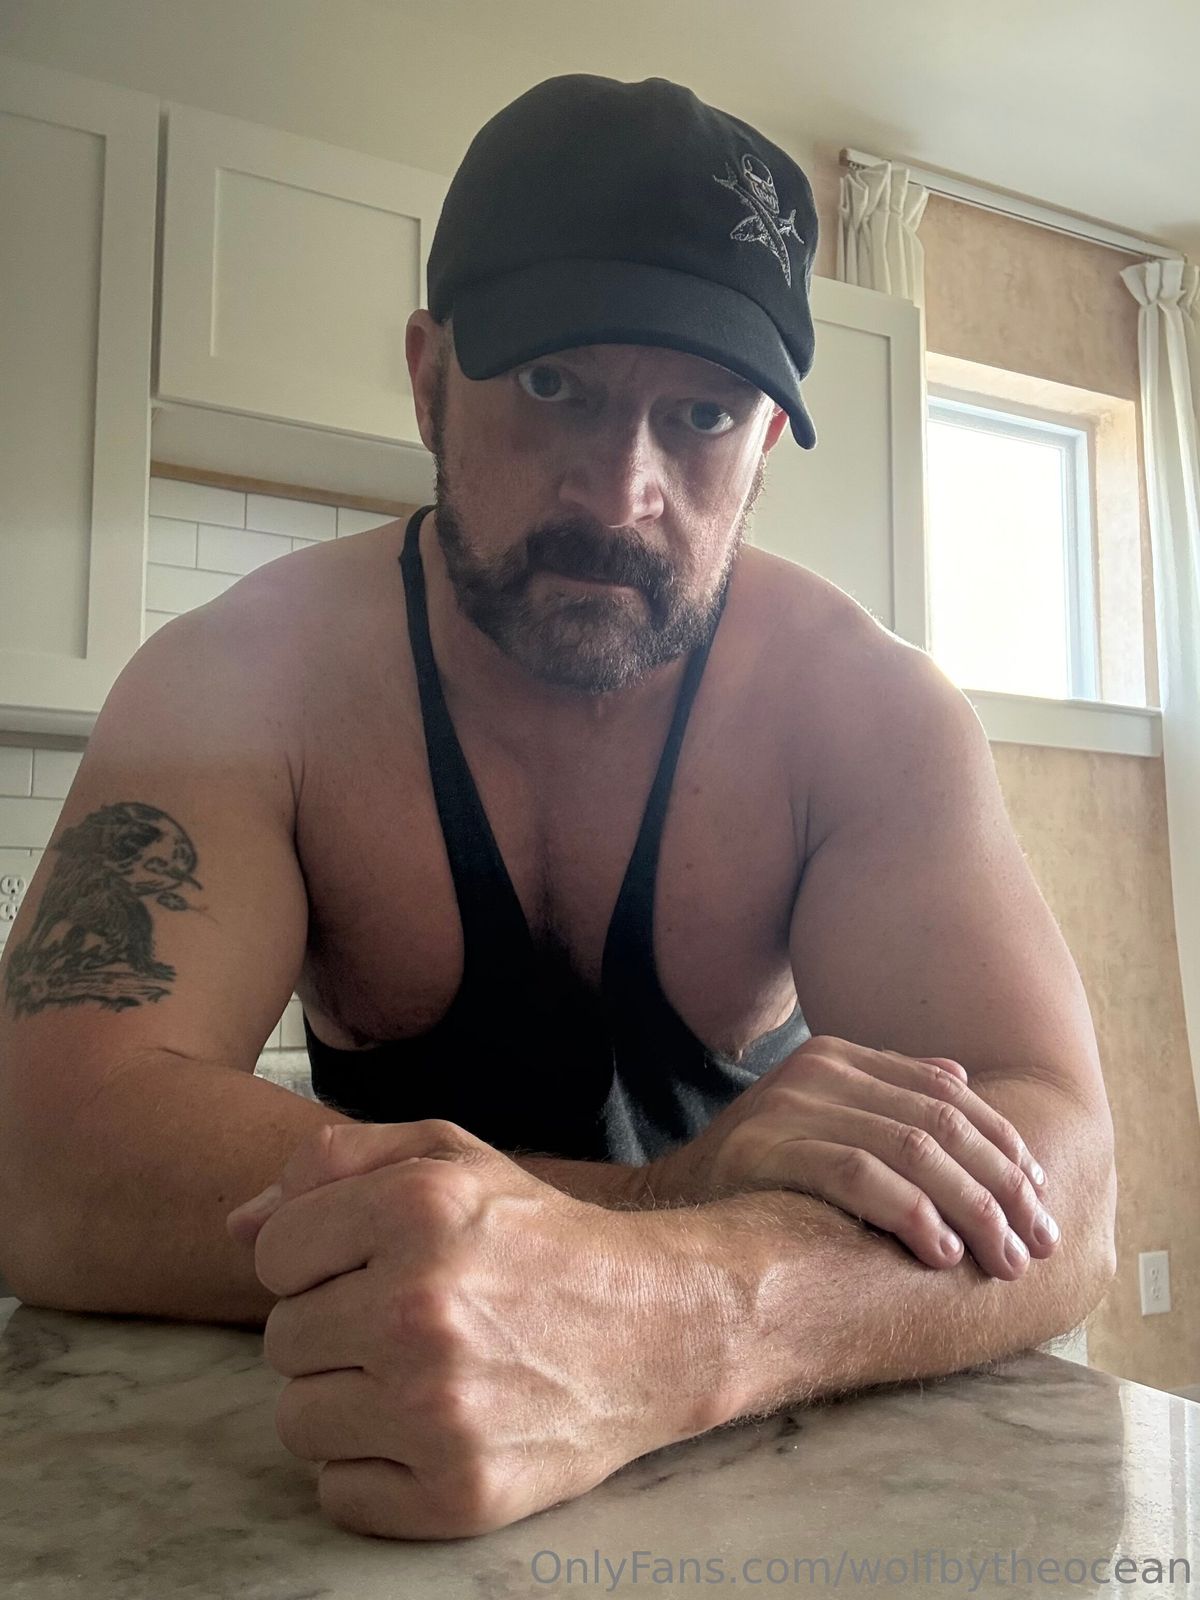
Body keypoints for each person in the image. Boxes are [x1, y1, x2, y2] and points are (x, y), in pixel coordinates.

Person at [0, 74, 1116, 1541]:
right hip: (360, 1449)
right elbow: (42, 1148)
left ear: (765, 445)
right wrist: (664, 1203)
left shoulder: (864, 710)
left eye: (702, 414)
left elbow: (1069, 1185)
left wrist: (678, 1317)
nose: (620, 489)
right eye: (553, 388)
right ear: (427, 379)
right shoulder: (243, 680)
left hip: (780, 1479)